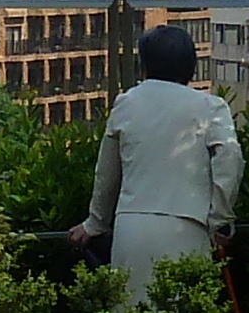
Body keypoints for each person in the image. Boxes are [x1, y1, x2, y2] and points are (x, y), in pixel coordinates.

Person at [70, 23, 239, 291]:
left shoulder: (126, 104)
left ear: (144, 65)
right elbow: (230, 160)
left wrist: (95, 223)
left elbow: (107, 174)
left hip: (131, 227)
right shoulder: (210, 107)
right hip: (189, 227)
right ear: (191, 67)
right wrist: (219, 220)